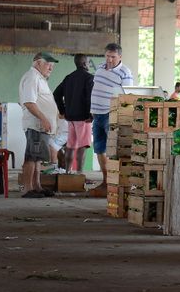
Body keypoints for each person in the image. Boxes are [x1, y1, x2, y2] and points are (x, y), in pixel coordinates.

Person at [89, 43, 134, 195]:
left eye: (113, 57)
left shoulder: (125, 73)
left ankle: (116, 183)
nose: (109, 59)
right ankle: (106, 180)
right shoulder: (100, 68)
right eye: (107, 56)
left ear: (120, 57)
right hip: (97, 114)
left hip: (112, 114)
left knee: (112, 149)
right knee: (99, 149)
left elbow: (126, 97)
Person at [19, 52, 60, 198]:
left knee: (37, 157)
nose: (51, 68)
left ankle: (37, 186)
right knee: (31, 156)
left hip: (41, 126)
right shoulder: (32, 77)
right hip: (36, 124)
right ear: (37, 63)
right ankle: (28, 188)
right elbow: (29, 102)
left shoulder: (40, 78)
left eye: (52, 65)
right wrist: (44, 119)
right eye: (48, 64)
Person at [53, 53, 94, 174]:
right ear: (85, 63)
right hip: (83, 118)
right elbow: (89, 97)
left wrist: (63, 111)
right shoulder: (89, 78)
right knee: (83, 146)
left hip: (70, 118)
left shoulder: (68, 77)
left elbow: (56, 94)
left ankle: (67, 173)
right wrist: (90, 114)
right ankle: (79, 174)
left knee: (70, 146)